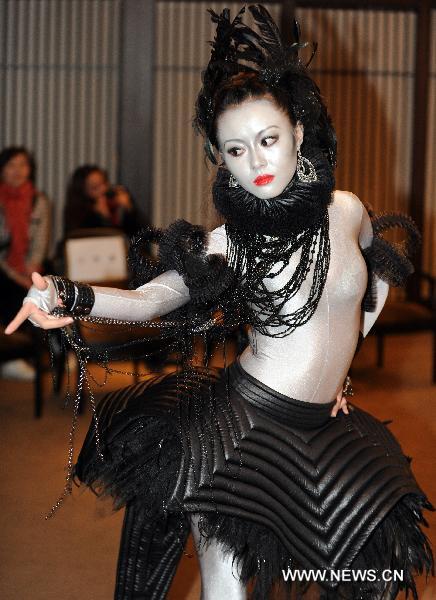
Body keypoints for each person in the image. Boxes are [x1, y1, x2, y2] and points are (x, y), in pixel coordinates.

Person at [5, 6, 433, 599]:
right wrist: (69, 295)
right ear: (221, 160)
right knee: (226, 593)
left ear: (298, 135)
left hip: (325, 427)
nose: (256, 161)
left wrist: (344, 365)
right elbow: (152, 297)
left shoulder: (348, 209)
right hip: (242, 430)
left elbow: (377, 272)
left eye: (267, 140)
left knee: (370, 575)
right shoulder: (228, 242)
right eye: (235, 150)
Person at [0, 146, 50, 380]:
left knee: (51, 287)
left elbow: (40, 242)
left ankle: (50, 352)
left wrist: (32, 269)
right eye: (11, 165)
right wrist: (15, 275)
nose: (17, 171)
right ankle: (13, 355)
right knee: (11, 290)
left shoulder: (39, 200)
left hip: (29, 266)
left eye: (23, 165)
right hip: (4, 267)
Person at [64, 164, 146, 237]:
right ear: (83, 192)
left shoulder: (116, 199)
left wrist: (130, 209)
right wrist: (103, 218)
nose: (103, 189)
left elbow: (142, 235)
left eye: (104, 183)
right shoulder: (78, 212)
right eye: (95, 188)